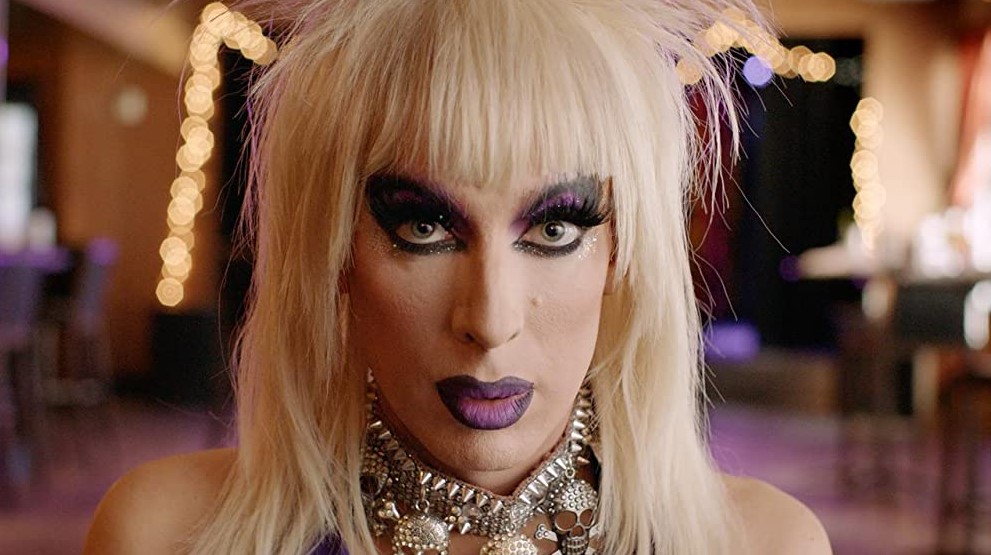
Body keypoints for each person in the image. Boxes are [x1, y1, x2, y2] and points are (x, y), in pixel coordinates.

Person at [84, 1, 831, 553]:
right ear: (335, 254)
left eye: (553, 229)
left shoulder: (767, 544)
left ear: (619, 255)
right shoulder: (164, 535)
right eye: (424, 227)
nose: (490, 319)